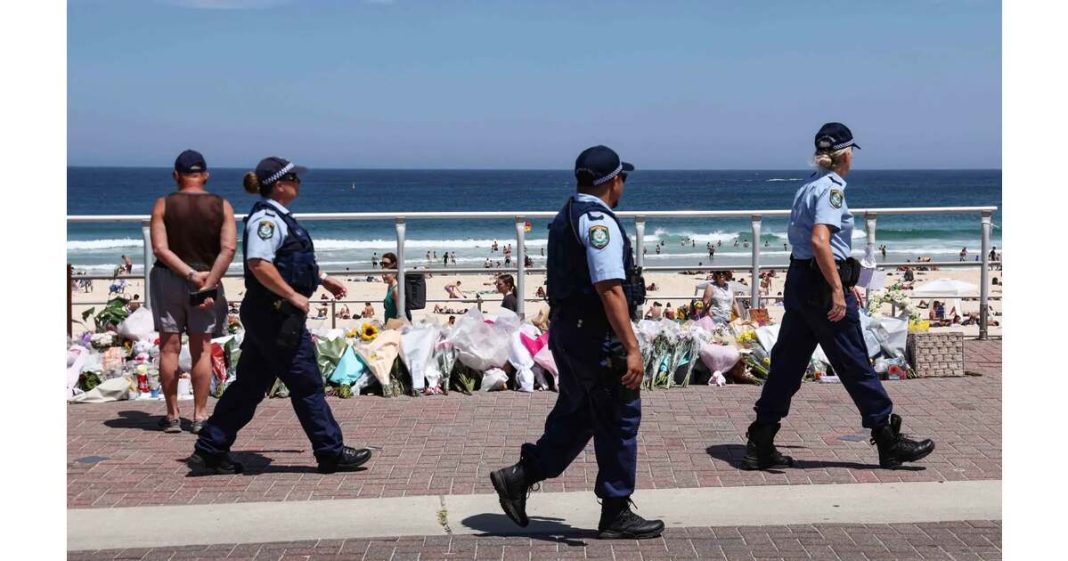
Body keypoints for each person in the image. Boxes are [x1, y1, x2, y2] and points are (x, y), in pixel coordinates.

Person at [490, 145, 662, 539]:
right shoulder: (598, 223)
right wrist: (632, 348)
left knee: (578, 415)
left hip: (569, 332)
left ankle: (520, 477)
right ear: (612, 181)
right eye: (623, 178)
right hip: (596, 337)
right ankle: (616, 511)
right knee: (620, 419)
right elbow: (609, 289)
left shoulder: (566, 215)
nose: (624, 185)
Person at [745, 123, 933, 472]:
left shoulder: (807, 185)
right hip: (820, 284)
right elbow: (820, 241)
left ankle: (761, 440)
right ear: (846, 154)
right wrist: (837, 290)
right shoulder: (832, 190)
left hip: (799, 280)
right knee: (854, 359)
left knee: (787, 364)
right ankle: (887, 440)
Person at [188, 156, 371, 475]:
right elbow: (260, 264)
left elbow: (288, 261)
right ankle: (330, 452)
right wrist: (292, 295)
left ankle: (211, 447)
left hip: (269, 315)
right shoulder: (267, 220)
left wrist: (321, 278)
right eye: (295, 179)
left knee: (249, 385)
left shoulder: (279, 218)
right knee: (307, 383)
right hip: (275, 316)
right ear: (280, 185)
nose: (299, 184)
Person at [149, 150, 236, 434]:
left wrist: (187, 273)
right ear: (206, 174)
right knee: (201, 348)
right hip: (207, 280)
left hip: (168, 277)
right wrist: (207, 280)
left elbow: (160, 248)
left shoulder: (163, 204)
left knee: (169, 346)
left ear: (176, 175)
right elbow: (229, 249)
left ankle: (172, 414)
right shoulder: (222, 205)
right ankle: (200, 416)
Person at [380, 252, 402, 321]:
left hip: (393, 326)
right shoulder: (390, 287)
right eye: (382, 263)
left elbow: (400, 313)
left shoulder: (396, 289)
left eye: (386, 264)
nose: (383, 265)